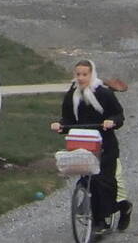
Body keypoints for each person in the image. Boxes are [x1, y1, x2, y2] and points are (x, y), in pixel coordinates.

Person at [51, 60, 133, 233]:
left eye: (84, 74)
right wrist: (60, 126)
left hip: (105, 146)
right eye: (78, 74)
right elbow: (67, 119)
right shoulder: (72, 95)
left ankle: (108, 216)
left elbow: (118, 115)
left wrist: (112, 122)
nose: (81, 78)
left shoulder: (103, 94)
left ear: (91, 74)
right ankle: (96, 214)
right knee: (89, 180)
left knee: (103, 182)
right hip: (83, 145)